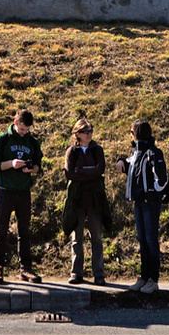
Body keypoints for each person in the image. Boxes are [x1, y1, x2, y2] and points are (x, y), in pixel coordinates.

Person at [0, 108, 43, 285]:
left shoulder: (32, 142)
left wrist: (31, 168)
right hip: (5, 190)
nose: (24, 132)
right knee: (1, 230)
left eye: (27, 130)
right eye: (21, 129)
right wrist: (11, 164)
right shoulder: (2, 140)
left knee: (24, 231)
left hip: (23, 191)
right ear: (15, 123)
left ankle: (25, 269)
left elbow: (38, 166)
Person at [115, 119, 169, 295]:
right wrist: (122, 161)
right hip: (138, 201)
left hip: (149, 203)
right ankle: (144, 277)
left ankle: (153, 279)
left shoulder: (154, 153)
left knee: (151, 240)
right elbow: (131, 165)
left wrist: (152, 193)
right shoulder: (137, 152)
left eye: (131, 133)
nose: (130, 136)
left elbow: (162, 178)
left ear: (137, 133)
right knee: (142, 239)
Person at [62, 118, 111, 285]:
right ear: (78, 134)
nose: (89, 134)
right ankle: (76, 273)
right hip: (77, 200)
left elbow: (100, 169)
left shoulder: (97, 150)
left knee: (96, 237)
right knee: (77, 238)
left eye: (90, 131)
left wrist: (81, 172)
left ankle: (99, 274)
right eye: (86, 131)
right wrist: (89, 173)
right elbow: (69, 174)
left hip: (95, 200)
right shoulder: (71, 152)